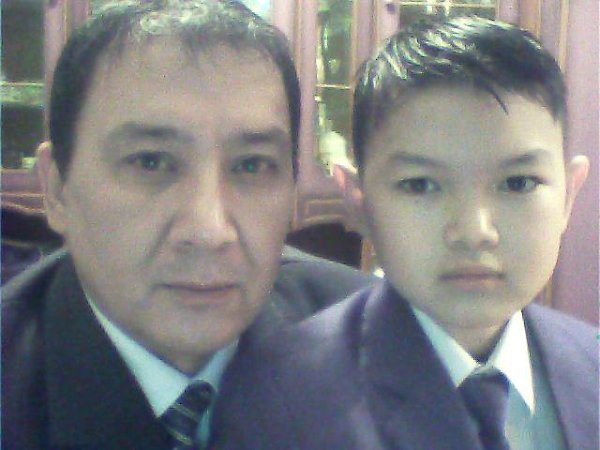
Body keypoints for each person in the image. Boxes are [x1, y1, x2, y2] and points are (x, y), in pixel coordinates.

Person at [1, 1, 375, 449]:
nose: (210, 231)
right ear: (57, 189)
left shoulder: (373, 346)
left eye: (252, 165)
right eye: (150, 161)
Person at [216, 16, 598, 450]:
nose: (474, 232)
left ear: (568, 196)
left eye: (518, 183)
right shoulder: (279, 400)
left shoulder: (591, 360)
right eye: (420, 185)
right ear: (359, 202)